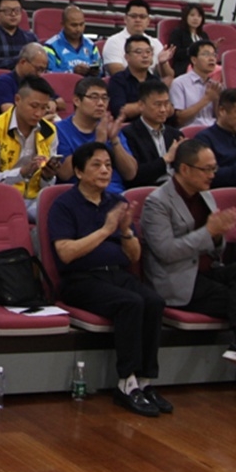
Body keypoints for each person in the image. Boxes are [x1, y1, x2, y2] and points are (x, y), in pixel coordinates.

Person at [140, 139, 236, 413]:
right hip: (178, 281)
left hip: (208, 271)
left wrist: (219, 235)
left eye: (215, 168)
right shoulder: (157, 202)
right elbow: (166, 252)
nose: (213, 174)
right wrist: (209, 232)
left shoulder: (206, 196)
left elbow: (215, 248)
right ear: (185, 169)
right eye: (207, 169)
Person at [49, 142, 170, 417]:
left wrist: (125, 231)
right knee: (130, 303)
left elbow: (134, 256)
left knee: (154, 301)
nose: (105, 170)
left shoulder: (117, 203)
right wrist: (106, 230)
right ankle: (126, 383)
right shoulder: (64, 205)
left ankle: (145, 381)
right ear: (79, 172)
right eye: (97, 165)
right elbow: (66, 253)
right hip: (80, 279)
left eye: (108, 165)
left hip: (117, 273)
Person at [0, 76, 60, 221]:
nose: (39, 113)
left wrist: (47, 176)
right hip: (1, 200)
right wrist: (22, 173)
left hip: (35, 200)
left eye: (44, 108)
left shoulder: (49, 131)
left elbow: (46, 186)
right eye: (34, 106)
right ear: (17, 99)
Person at [54, 77, 137, 195]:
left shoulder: (109, 127)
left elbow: (130, 173)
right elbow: (64, 174)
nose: (101, 103)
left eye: (104, 98)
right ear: (77, 100)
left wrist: (114, 139)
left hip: (116, 194)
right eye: (94, 97)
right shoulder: (60, 130)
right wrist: (98, 143)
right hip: (82, 196)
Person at [123, 80, 184, 188]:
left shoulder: (175, 134)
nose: (163, 110)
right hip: (148, 190)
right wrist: (166, 159)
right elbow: (136, 175)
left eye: (166, 104)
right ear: (141, 105)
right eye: (158, 104)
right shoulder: (129, 134)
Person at [101, 0, 174, 77]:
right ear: (125, 19)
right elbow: (117, 72)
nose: (138, 20)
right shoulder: (113, 42)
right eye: (133, 16)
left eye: (142, 17)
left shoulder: (155, 43)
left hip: (151, 83)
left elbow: (169, 77)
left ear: (148, 21)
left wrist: (163, 64)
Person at [107, 34, 171, 121]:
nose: (145, 56)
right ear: (127, 57)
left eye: (148, 52)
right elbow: (120, 111)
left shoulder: (155, 80)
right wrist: (152, 105)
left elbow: (169, 109)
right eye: (138, 52)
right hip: (130, 126)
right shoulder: (118, 80)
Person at [0, 42, 63, 116]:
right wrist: (41, 119)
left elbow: (62, 103)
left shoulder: (38, 81)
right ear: (23, 62)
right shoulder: (4, 82)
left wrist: (54, 102)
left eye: (43, 70)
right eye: (38, 69)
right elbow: (10, 112)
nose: (40, 74)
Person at [170, 40, 221, 128]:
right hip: (191, 131)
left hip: (213, 130)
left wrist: (216, 100)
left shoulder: (215, 86)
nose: (212, 59)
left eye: (214, 55)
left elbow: (220, 118)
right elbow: (179, 119)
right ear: (194, 60)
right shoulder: (179, 83)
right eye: (206, 54)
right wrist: (207, 99)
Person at [43, 5, 100, 75]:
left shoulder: (91, 46)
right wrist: (72, 72)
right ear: (63, 25)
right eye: (74, 25)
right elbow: (48, 75)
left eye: (81, 24)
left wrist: (95, 72)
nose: (78, 29)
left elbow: (101, 71)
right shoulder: (50, 47)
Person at [166, 3, 209, 75]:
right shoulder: (178, 32)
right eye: (192, 15)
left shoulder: (203, 35)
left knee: (219, 69)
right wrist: (194, 50)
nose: (196, 18)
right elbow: (176, 53)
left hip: (202, 65)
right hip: (184, 66)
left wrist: (212, 48)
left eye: (199, 16)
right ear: (185, 16)